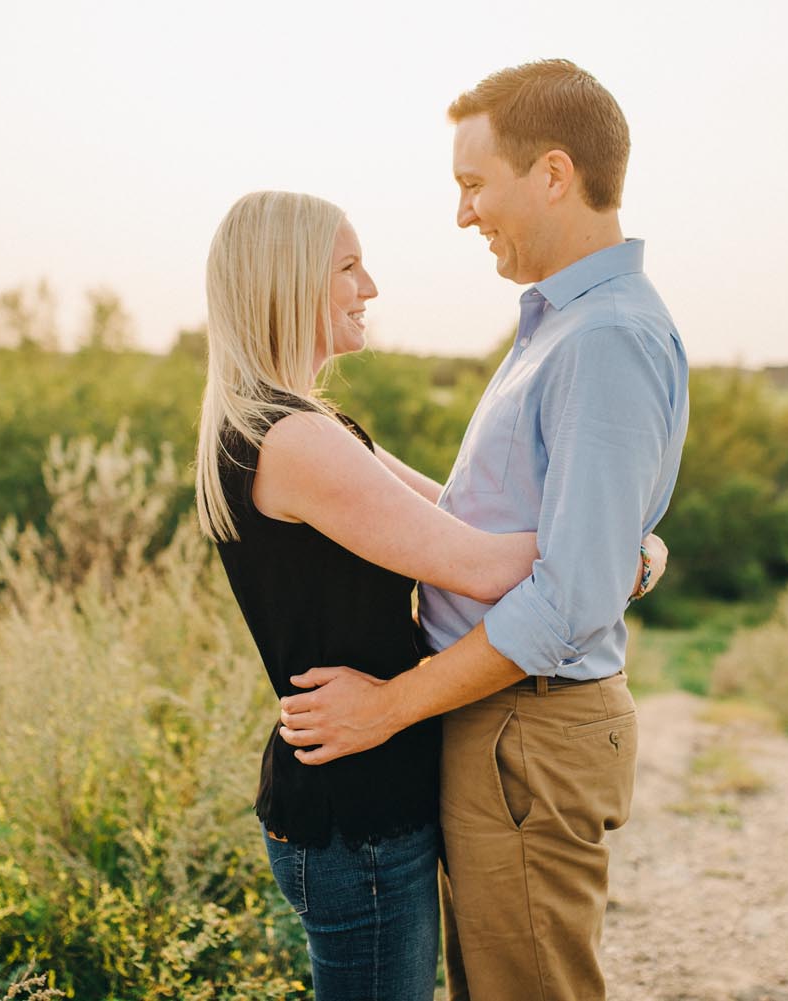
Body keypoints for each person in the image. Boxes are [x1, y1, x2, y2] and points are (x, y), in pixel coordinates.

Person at [276, 60, 690, 1001]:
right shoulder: (560, 325)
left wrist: (388, 705)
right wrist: (316, 437)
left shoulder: (603, 339)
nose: (463, 214)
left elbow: (570, 599)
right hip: (503, 719)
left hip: (529, 726)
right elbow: (499, 524)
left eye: (474, 184)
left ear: (552, 174)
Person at [194, 190, 667, 1001]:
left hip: (356, 788)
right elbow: (478, 565)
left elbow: (446, 515)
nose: (369, 287)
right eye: (348, 267)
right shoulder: (294, 438)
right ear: (288, 281)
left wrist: (606, 540)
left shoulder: (300, 425)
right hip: (356, 804)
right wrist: (629, 551)